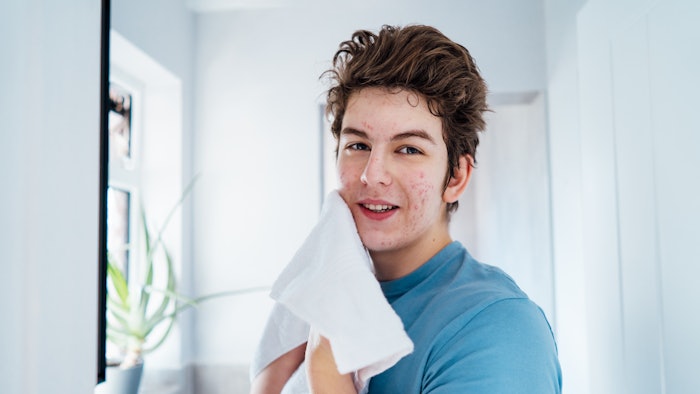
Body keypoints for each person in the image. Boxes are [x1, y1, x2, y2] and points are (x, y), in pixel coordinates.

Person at [251, 24, 562, 393]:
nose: (372, 174)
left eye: (409, 149)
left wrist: (326, 362)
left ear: (456, 177)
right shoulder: (318, 296)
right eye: (358, 145)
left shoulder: (498, 328)